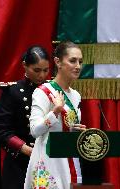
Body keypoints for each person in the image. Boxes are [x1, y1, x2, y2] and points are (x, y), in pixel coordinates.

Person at [24, 41, 86, 189]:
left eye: (80, 61)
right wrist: (55, 111)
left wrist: (77, 132)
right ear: (58, 62)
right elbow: (34, 131)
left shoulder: (76, 95)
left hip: (69, 160)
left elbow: (65, 129)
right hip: (48, 162)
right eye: (72, 61)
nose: (78, 66)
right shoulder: (43, 92)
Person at [0, 46, 50, 189]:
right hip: (19, 163)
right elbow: (1, 130)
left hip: (48, 161)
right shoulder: (13, 92)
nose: (42, 75)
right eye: (37, 70)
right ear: (24, 65)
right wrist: (26, 149)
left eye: (46, 70)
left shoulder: (52, 91)